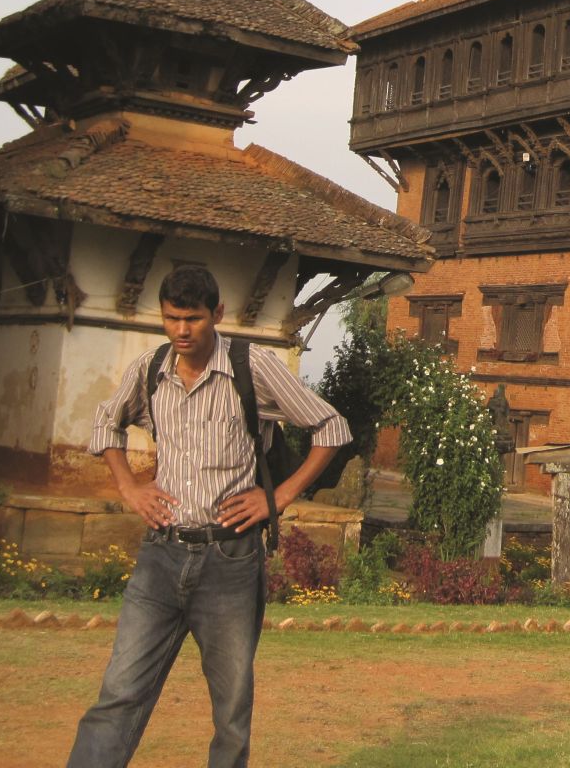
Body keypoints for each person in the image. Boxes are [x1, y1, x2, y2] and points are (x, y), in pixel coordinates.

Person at [67, 265, 351, 768]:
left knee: (231, 709)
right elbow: (104, 422)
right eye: (172, 318)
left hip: (230, 559)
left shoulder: (251, 366)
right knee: (120, 693)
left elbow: (331, 426)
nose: (181, 331)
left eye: (193, 319)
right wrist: (129, 486)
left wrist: (277, 497)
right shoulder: (150, 369)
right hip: (161, 554)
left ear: (216, 315)